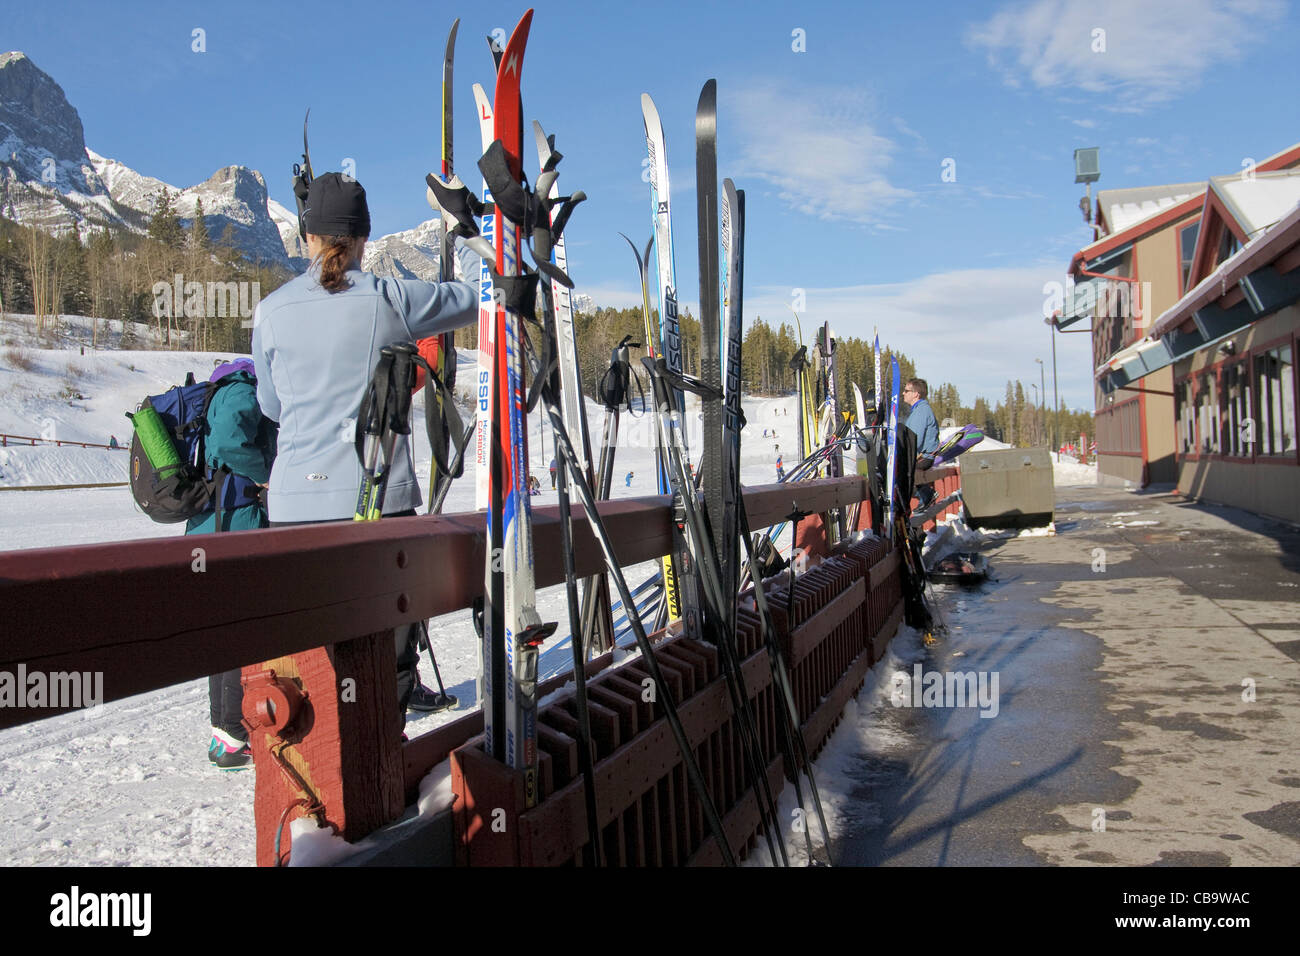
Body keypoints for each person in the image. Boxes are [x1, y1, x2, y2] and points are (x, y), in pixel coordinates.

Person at [251, 172, 476, 731]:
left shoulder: (271, 311)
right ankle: (379, 760)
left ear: (309, 238)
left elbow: (273, 407)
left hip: (292, 514)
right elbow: (479, 297)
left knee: (309, 660)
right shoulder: (388, 298)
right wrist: (461, 226)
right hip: (376, 502)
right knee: (385, 660)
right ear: (362, 241)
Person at [187, 357, 278, 769]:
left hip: (212, 524)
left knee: (227, 631)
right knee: (241, 629)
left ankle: (225, 734)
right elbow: (227, 444)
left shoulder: (218, 391)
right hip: (232, 523)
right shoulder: (243, 388)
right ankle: (232, 733)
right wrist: (268, 475)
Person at [903, 378, 940, 509]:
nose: (903, 393)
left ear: (916, 394)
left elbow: (913, 439)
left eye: (906, 390)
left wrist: (902, 454)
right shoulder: (919, 409)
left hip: (922, 457)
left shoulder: (921, 411)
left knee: (896, 475)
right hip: (922, 456)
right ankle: (924, 495)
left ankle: (925, 494)